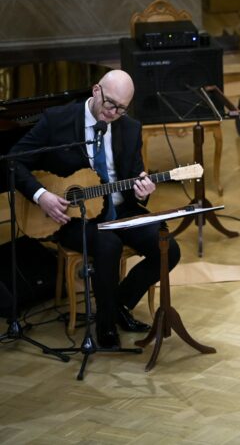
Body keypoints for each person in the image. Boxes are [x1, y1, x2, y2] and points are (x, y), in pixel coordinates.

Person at [10, 69, 181, 349]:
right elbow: (14, 159)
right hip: (71, 217)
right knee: (107, 244)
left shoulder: (130, 127)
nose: (113, 112)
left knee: (168, 250)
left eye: (121, 108)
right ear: (96, 91)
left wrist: (143, 189)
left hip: (119, 211)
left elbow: (135, 175)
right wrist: (41, 196)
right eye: (110, 103)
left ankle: (116, 306)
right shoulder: (58, 121)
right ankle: (105, 328)